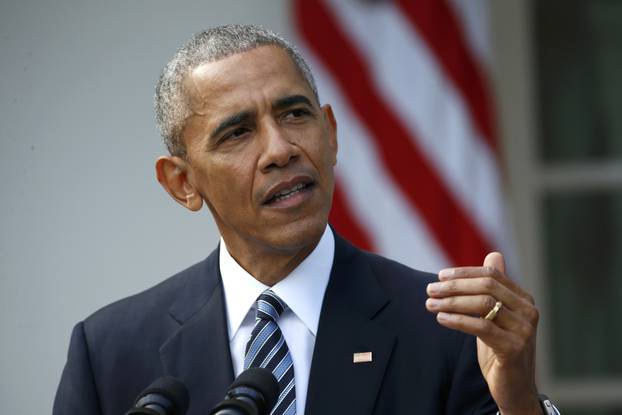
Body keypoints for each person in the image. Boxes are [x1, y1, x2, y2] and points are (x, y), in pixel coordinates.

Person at [54, 25, 558, 415]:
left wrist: (519, 405)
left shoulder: (449, 329)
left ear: (331, 135)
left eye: (295, 114)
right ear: (182, 183)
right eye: (237, 133)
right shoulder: (110, 353)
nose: (280, 150)